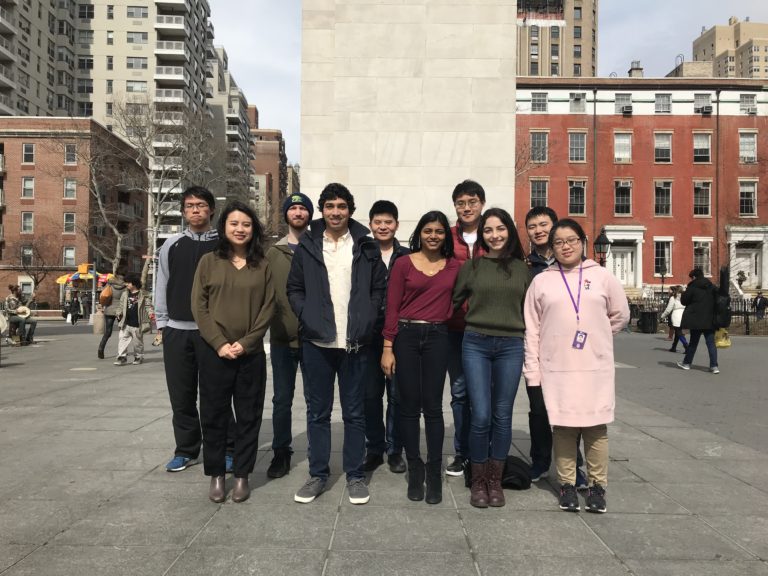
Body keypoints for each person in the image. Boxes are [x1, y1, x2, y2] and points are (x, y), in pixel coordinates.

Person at [287, 183, 387, 505]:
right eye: (329, 206)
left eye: (341, 206)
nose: (335, 212)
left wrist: (369, 318)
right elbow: (295, 288)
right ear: (322, 210)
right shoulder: (308, 245)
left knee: (355, 413)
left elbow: (378, 290)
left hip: (356, 343)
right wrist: (307, 315)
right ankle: (318, 474)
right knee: (318, 413)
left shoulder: (366, 246)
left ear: (350, 210)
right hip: (318, 342)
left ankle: (355, 475)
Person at [524, 219, 629, 513]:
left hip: (594, 367)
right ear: (551, 246)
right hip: (557, 367)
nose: (565, 246)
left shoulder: (602, 277)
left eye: (571, 240)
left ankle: (598, 487)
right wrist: (533, 372)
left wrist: (596, 336)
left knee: (596, 429)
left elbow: (620, 315)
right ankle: (567, 484)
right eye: (559, 242)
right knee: (565, 429)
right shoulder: (542, 280)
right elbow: (532, 329)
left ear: (582, 242)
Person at [192, 201, 275, 503]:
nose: (240, 229)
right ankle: (216, 474)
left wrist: (247, 342)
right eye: (234, 224)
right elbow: (198, 307)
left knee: (249, 414)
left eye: (246, 225)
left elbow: (268, 307)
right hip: (215, 351)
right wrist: (219, 342)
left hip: (249, 353)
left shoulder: (262, 264)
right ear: (224, 227)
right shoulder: (208, 262)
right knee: (213, 414)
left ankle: (242, 475)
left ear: (254, 230)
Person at [453, 208, 531, 508]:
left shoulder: (522, 269)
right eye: (488, 230)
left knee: (502, 414)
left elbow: (532, 310)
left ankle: (495, 480)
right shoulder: (471, 267)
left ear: (509, 231)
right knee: (481, 414)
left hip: (511, 345)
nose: (495, 235)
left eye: (500, 229)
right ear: (481, 235)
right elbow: (453, 301)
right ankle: (478, 479)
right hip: (476, 343)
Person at [155, 186, 236, 473]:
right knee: (182, 395)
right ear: (183, 211)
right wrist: (162, 323)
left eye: (201, 205)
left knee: (216, 394)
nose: (195, 210)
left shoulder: (224, 245)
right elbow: (161, 283)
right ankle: (186, 449)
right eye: (189, 205)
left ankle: (226, 448)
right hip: (177, 330)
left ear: (212, 209)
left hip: (214, 333)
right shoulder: (171, 245)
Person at [382, 211, 460, 505]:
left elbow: (461, 299)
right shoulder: (403, 263)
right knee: (408, 407)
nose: (433, 236)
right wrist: (387, 347)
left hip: (438, 337)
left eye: (439, 231)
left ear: (445, 236)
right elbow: (391, 307)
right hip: (405, 337)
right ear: (419, 233)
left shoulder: (454, 267)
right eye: (428, 230)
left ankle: (434, 472)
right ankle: (415, 469)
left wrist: (445, 316)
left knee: (434, 408)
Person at [523, 206, 587, 489]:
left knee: (571, 409)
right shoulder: (526, 266)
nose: (538, 230)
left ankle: (576, 466)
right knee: (538, 409)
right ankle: (540, 459)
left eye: (543, 224)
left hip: (570, 352)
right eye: (532, 226)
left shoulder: (577, 264)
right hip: (537, 348)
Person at [265, 192, 313, 479]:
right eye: (293, 208)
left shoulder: (318, 247)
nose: (297, 212)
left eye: (302, 208)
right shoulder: (273, 253)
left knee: (314, 400)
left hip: (313, 340)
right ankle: (281, 452)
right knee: (281, 399)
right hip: (282, 338)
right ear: (286, 215)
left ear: (309, 214)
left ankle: (316, 452)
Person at [363, 200, 410, 474]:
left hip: (399, 334)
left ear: (396, 225)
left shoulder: (406, 256)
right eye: (378, 222)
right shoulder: (361, 252)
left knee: (397, 395)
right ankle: (374, 447)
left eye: (388, 222)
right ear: (370, 225)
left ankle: (395, 450)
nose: (383, 226)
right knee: (370, 395)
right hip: (368, 334)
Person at [445, 180, 487, 478]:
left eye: (472, 201)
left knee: (485, 394)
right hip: (456, 327)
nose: (467, 207)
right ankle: (462, 452)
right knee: (460, 392)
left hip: (488, 327)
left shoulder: (494, 232)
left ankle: (483, 451)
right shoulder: (448, 237)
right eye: (461, 203)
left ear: (481, 203)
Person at [678, 269, 719, 374]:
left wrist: (685, 292)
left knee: (693, 343)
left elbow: (684, 301)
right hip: (709, 319)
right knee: (711, 343)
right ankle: (714, 366)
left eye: (691, 277)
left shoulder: (692, 287)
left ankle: (687, 363)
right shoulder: (712, 287)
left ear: (694, 277)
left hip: (696, 319)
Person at [114, 275, 152, 366]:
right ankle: (122, 357)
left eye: (128, 283)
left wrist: (150, 313)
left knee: (137, 342)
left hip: (138, 323)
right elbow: (121, 305)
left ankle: (138, 356)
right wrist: (118, 312)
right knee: (123, 340)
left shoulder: (144, 294)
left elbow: (148, 306)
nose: (126, 284)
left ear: (134, 284)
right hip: (125, 323)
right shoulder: (125, 294)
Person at [98, 275, 126, 359]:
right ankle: (121, 352)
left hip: (109, 310)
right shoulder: (125, 286)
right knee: (123, 332)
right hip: (119, 311)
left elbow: (104, 294)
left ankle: (101, 349)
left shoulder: (109, 284)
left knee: (108, 332)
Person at [660, 286, 688, 353]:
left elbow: (668, 310)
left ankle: (686, 346)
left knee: (678, 332)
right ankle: (674, 347)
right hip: (684, 315)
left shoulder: (673, 298)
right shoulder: (685, 298)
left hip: (676, 316)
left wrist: (662, 316)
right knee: (678, 332)